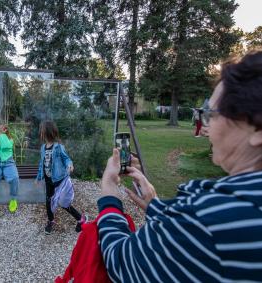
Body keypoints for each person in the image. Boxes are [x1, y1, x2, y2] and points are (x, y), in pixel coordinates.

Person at [97, 51, 262, 282]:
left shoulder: (208, 219)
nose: (205, 129)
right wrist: (155, 207)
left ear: (257, 129)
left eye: (212, 115)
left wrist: (109, 197)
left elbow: (121, 264)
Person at [35, 121, 87, 234]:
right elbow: (41, 164)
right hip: (49, 180)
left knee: (63, 203)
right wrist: (39, 177)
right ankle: (50, 221)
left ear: (47, 133)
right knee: (48, 201)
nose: (41, 133)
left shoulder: (59, 147)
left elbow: (66, 158)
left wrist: (70, 164)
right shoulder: (43, 148)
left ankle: (81, 219)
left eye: (42, 131)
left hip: (59, 180)